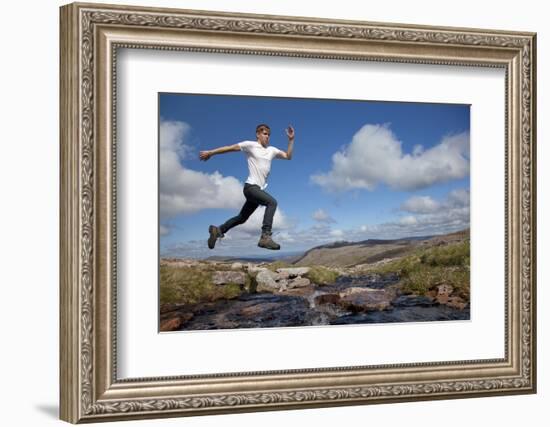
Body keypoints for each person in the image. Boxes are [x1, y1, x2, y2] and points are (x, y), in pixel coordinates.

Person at [199, 124, 295, 250]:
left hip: (257, 190)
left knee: (242, 218)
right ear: (258, 134)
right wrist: (211, 152)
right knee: (272, 203)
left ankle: (218, 230)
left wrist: (291, 140)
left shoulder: (271, 150)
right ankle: (265, 237)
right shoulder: (250, 145)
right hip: (251, 187)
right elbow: (230, 148)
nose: (267, 136)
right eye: (265, 133)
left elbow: (288, 156)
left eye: (269, 134)